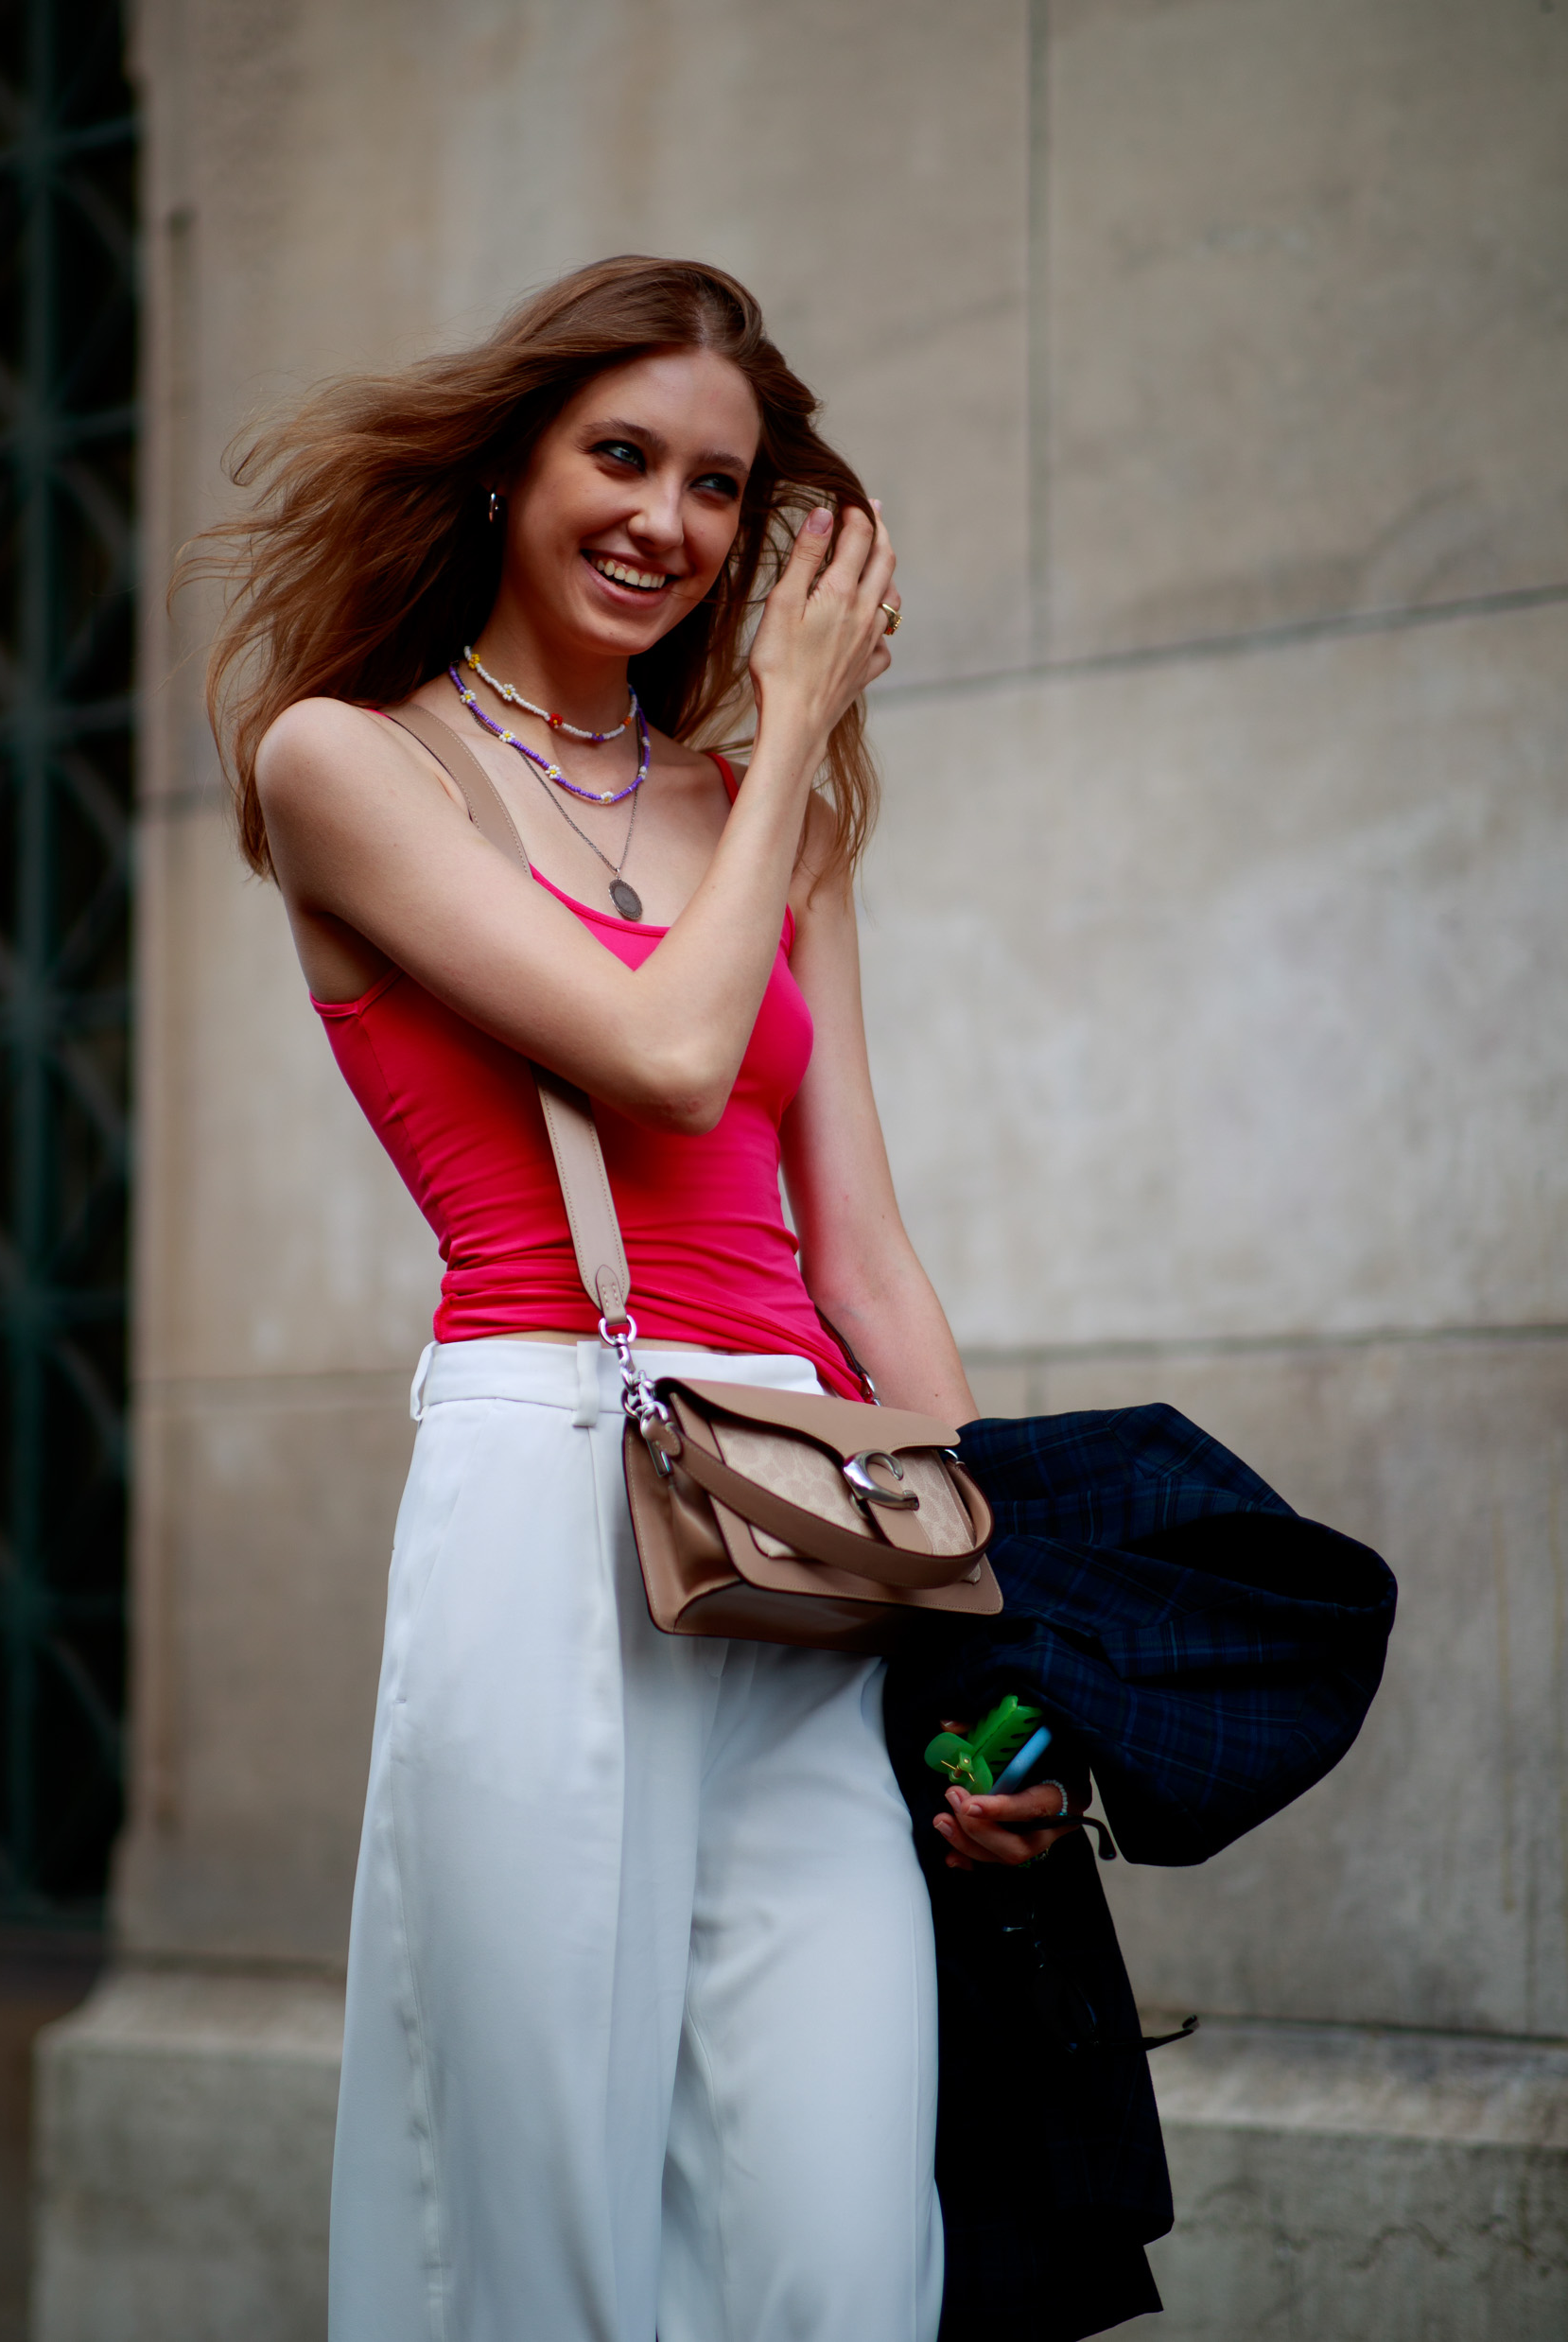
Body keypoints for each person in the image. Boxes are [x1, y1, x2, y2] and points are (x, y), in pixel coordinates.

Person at [197, 254, 1074, 2342]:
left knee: (846, 2248)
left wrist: (985, 1659)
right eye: (619, 454)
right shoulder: (348, 765)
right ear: (509, 463)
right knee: (540, 2231)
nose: (661, 521)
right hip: (551, 1485)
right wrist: (785, 753)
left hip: (805, 1520)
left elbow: (860, 1248)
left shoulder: (773, 826)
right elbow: (664, 1058)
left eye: (714, 485)